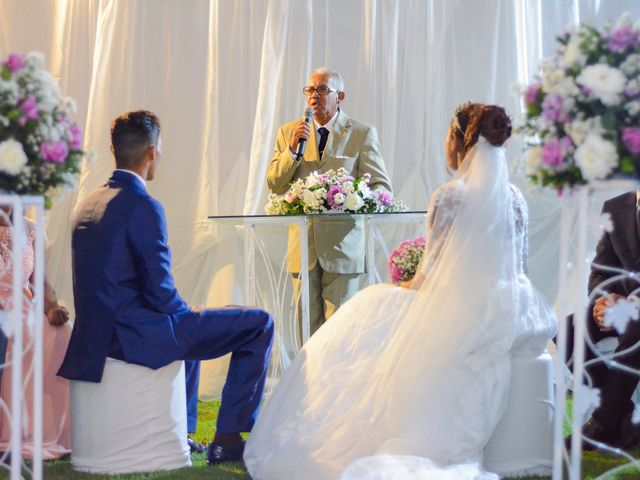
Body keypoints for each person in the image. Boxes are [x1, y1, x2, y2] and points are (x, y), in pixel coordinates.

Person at [245, 103, 556, 479]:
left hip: (456, 310)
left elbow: (431, 275)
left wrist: (402, 285)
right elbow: (519, 269)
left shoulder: (449, 197)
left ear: (458, 141)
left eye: (447, 135)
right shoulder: (515, 199)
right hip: (507, 309)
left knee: (368, 309)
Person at [57, 110, 274, 465]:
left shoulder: (89, 203)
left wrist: (185, 311)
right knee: (258, 323)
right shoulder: (143, 205)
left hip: (97, 335)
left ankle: (185, 435)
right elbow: (160, 292)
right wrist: (187, 311)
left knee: (190, 325)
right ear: (152, 152)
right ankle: (229, 440)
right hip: (135, 335)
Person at [267, 67, 392, 336]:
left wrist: (351, 197)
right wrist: (292, 152)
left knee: (340, 335)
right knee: (306, 335)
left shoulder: (361, 133)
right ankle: (307, 380)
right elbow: (275, 184)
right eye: (310, 90)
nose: (314, 96)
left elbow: (382, 188)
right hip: (303, 249)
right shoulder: (289, 132)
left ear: (340, 96)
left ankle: (339, 380)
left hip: (344, 250)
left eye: (323, 90)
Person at [567, 191, 640, 450]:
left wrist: (629, 303)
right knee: (568, 328)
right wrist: (604, 302)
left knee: (636, 325)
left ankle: (603, 423)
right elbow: (599, 270)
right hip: (617, 301)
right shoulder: (614, 207)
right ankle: (622, 415)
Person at [0, 211, 72, 460]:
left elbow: (41, 283)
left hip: (22, 307)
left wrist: (53, 308)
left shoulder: (30, 229)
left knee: (60, 332)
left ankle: (38, 431)